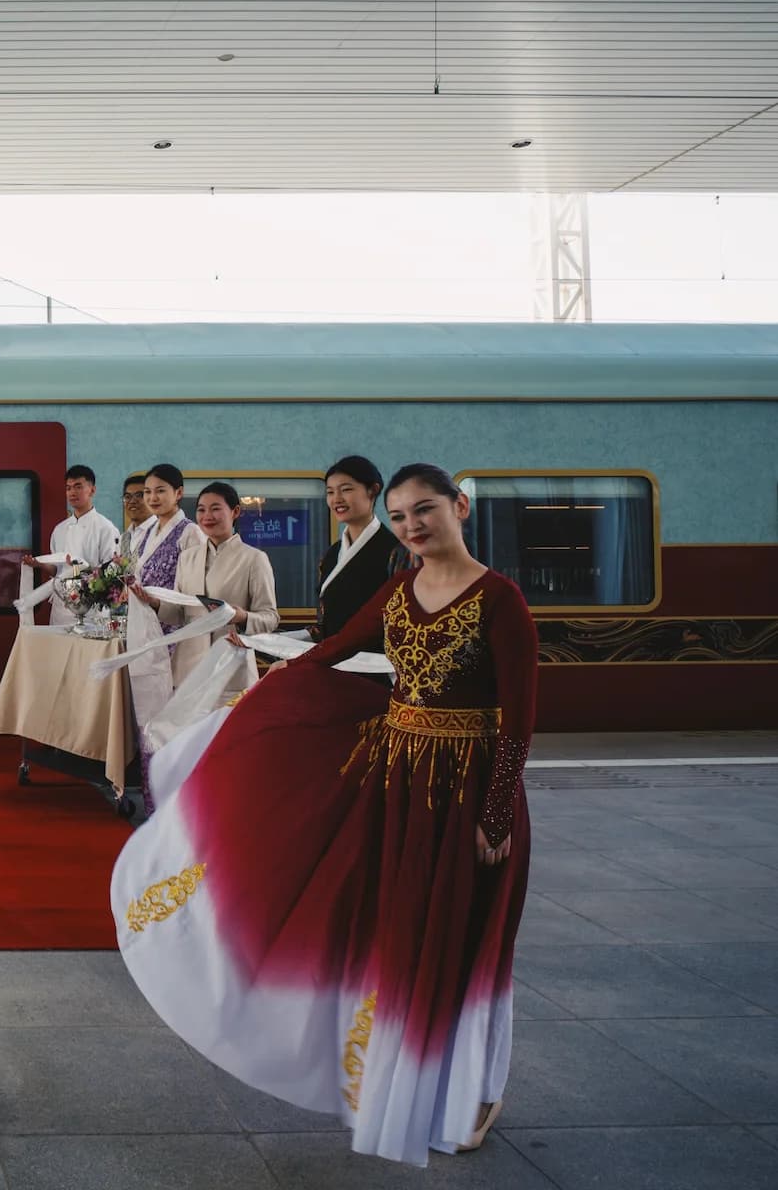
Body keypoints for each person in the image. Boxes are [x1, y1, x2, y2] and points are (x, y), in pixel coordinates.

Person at [109, 463, 538, 1166]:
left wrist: (496, 816)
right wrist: (262, 694)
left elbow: (519, 721)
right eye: (400, 517)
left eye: (424, 510)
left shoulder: (501, 601)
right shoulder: (399, 588)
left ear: (459, 507)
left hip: (468, 792)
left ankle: (476, 1089)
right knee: (400, 930)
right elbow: (334, 650)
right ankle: (410, 1083)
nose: (412, 527)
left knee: (466, 938)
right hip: (397, 780)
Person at [137, 481, 280, 700]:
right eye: (201, 510)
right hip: (187, 669)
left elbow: (270, 618)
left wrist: (242, 617)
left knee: (223, 733)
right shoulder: (188, 558)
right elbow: (180, 613)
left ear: (235, 511)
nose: (207, 516)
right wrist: (155, 603)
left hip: (230, 667)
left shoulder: (254, 559)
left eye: (215, 509)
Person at [316, 455, 405, 640]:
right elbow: (325, 626)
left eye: (346, 490)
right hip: (332, 660)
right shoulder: (331, 555)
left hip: (378, 664)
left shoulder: (397, 552)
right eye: (330, 492)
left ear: (373, 490)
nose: (336, 499)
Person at [23, 463, 121, 623]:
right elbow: (58, 570)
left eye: (78, 487)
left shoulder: (106, 528)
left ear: (92, 490)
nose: (72, 492)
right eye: (68, 488)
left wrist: (83, 571)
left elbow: (111, 573)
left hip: (92, 609)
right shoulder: (60, 529)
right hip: (62, 607)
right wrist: (39, 565)